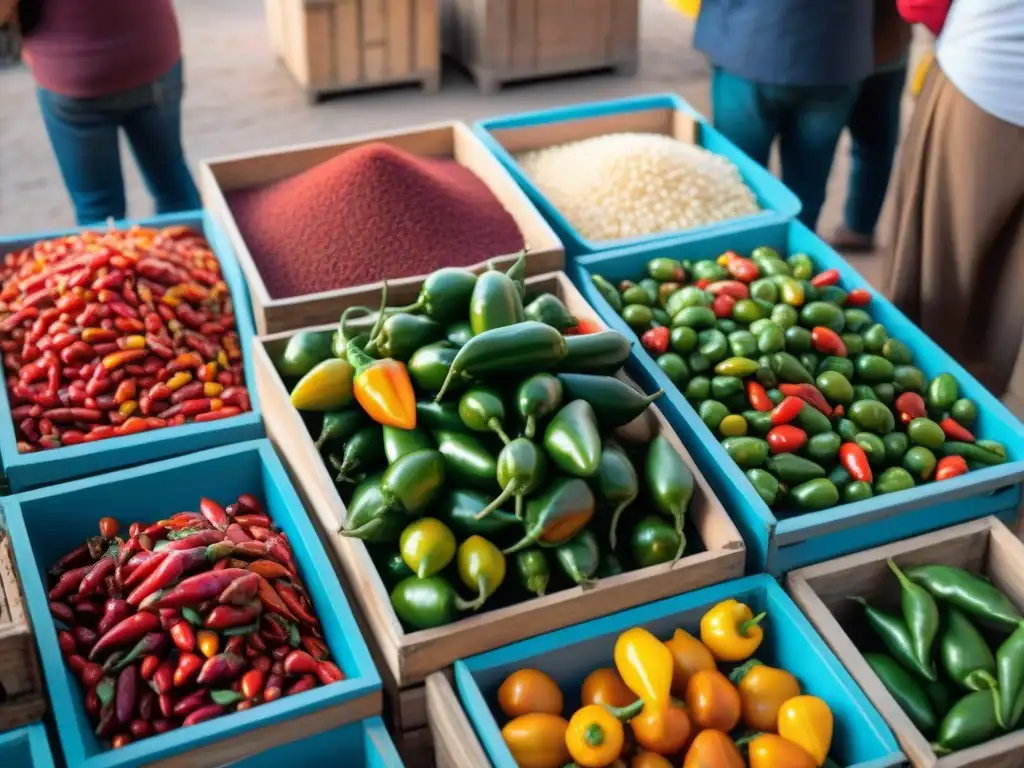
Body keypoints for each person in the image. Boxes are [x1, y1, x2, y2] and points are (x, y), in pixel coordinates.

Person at [884, 0, 1024, 407]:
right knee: (1010, 297)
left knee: (937, 271)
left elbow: (920, 4)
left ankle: (917, 405)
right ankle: (983, 409)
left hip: (990, 79)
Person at [0, 0, 201, 226]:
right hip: (151, 49)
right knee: (173, 185)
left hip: (74, 70)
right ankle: (194, 254)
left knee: (98, 208)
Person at [693, 0, 875, 231]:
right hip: (835, 50)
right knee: (806, 192)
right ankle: (793, 258)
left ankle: (743, 256)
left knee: (739, 185)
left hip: (750, 42)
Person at [831, 2, 913, 252]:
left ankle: (853, 228)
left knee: (806, 148)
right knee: (875, 143)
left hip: (825, 47)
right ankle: (859, 229)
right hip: (885, 41)